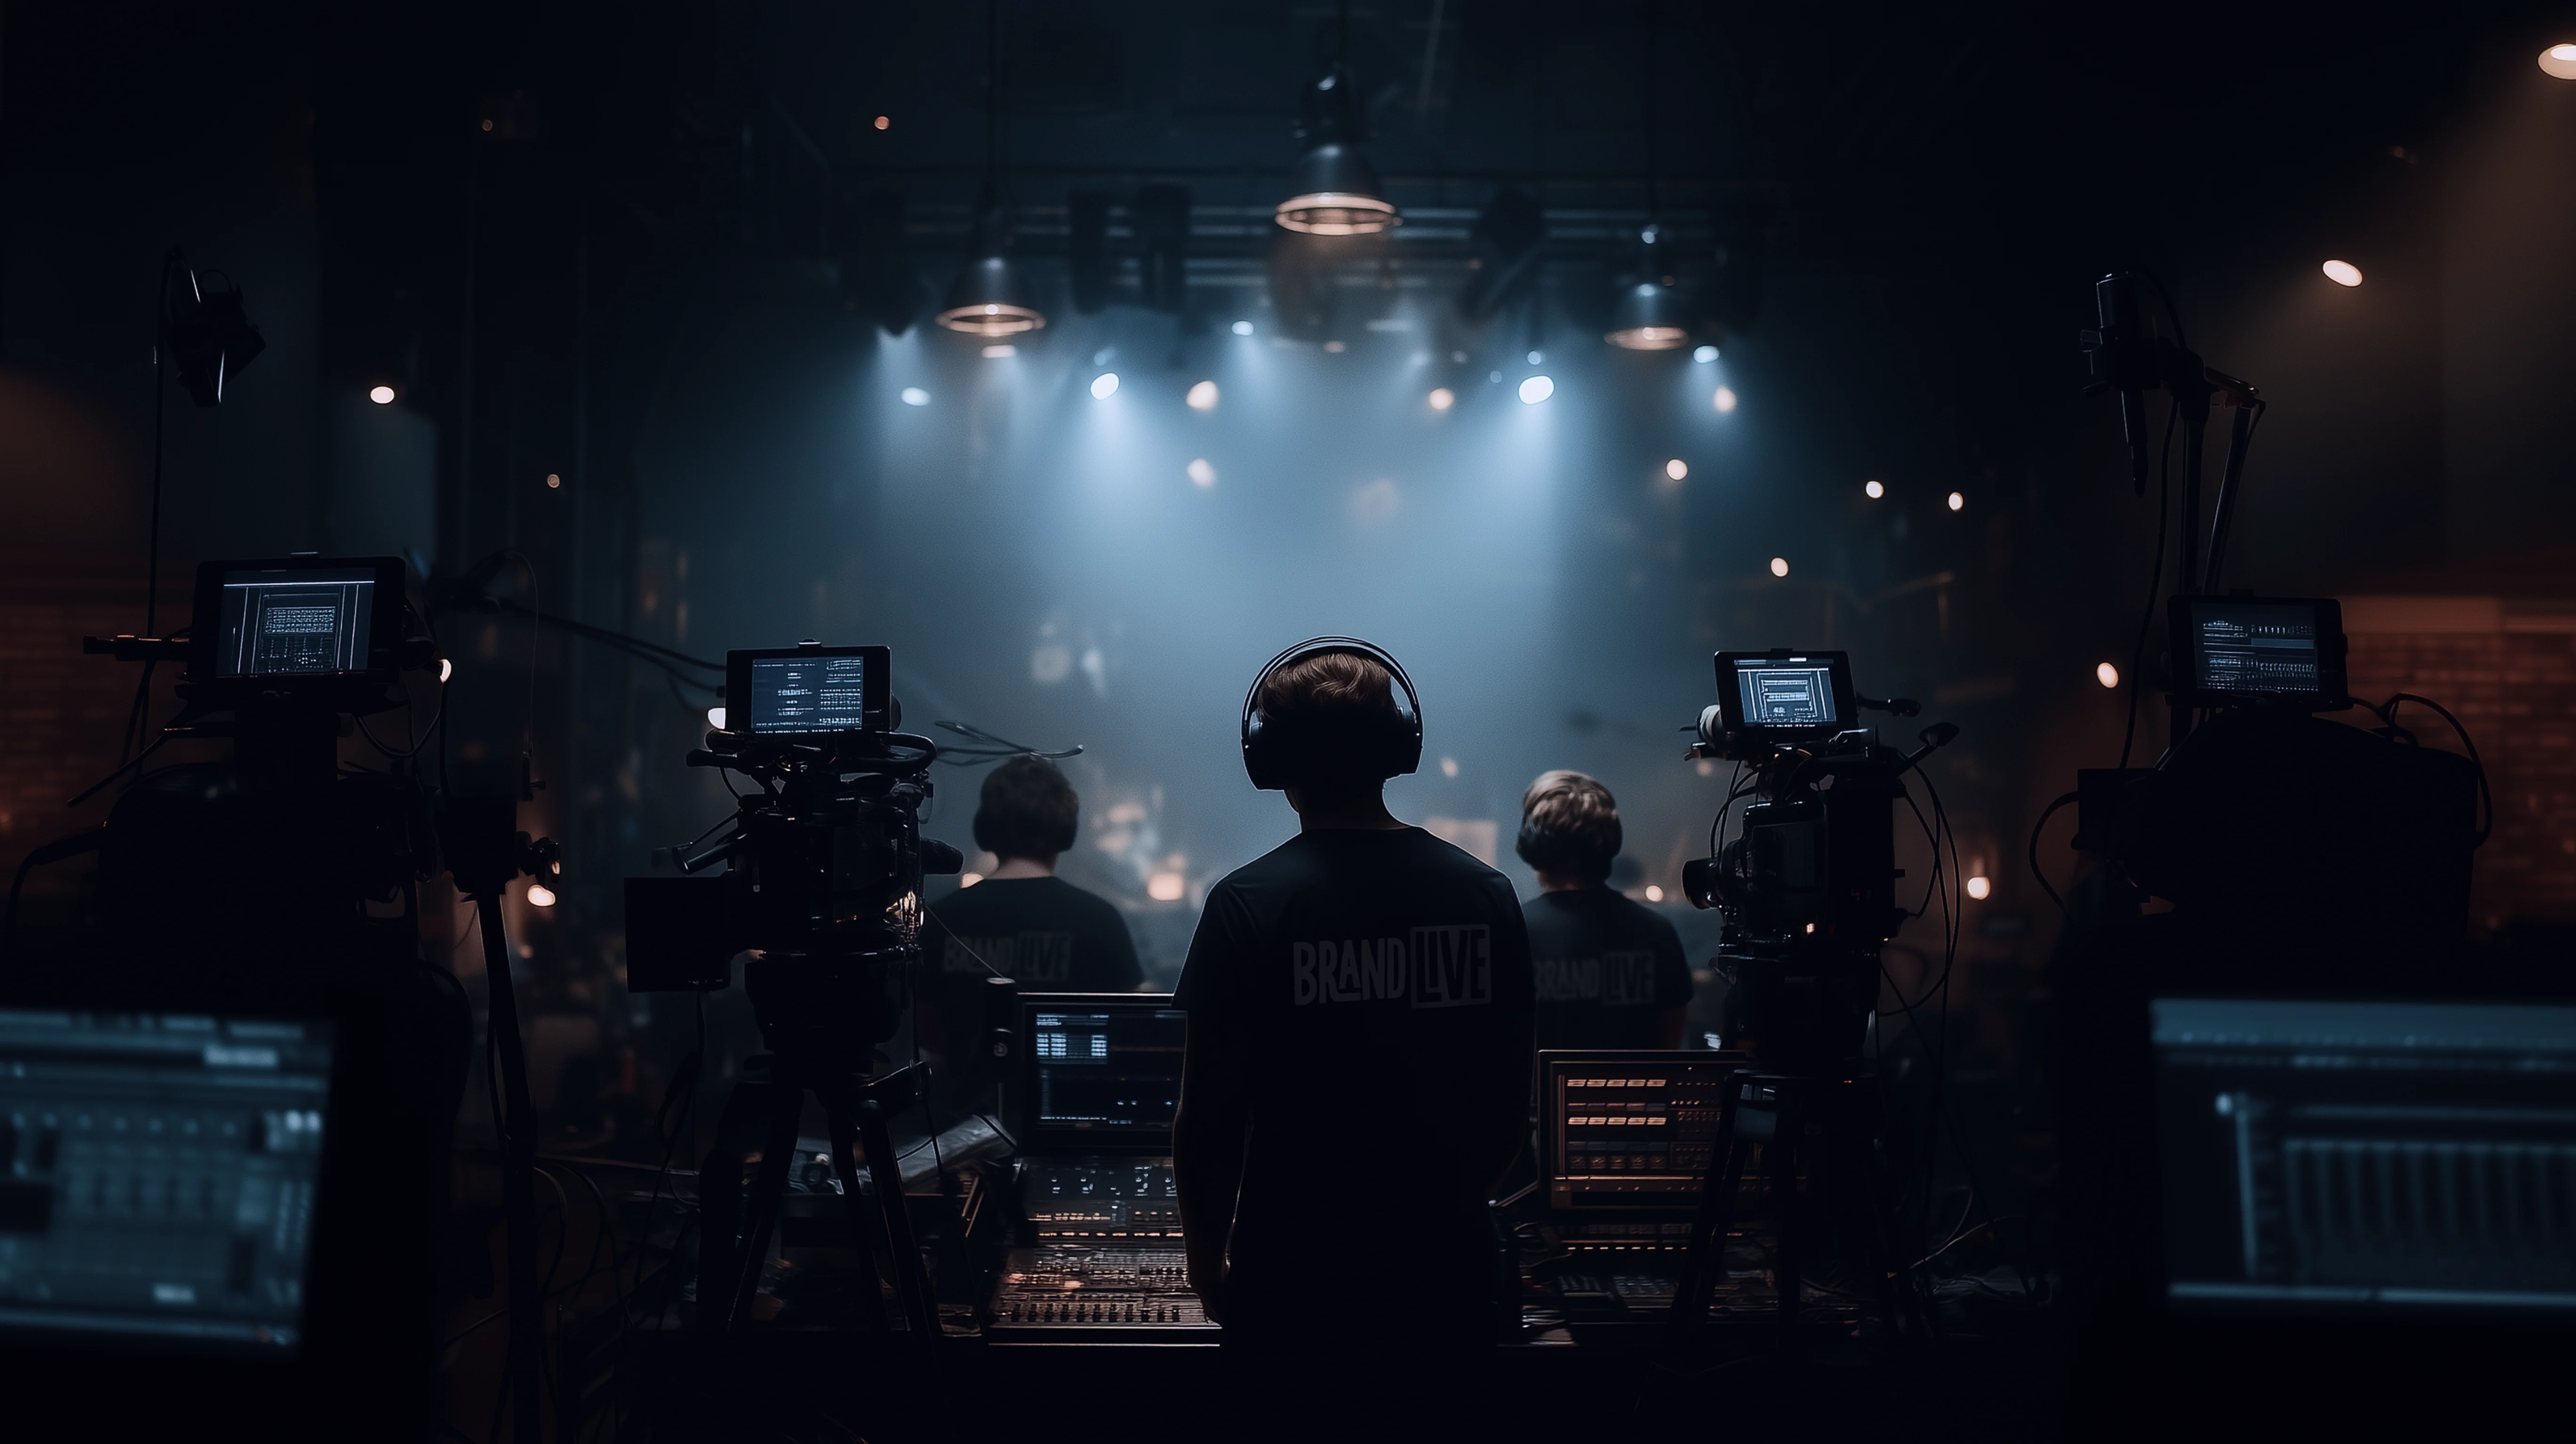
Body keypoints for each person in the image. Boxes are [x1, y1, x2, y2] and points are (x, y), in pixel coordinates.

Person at [1172, 641, 1534, 1366]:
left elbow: (1207, 1121)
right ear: (1398, 749)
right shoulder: (1484, 894)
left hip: (1290, 1278)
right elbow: (1507, 1112)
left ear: (1268, 761)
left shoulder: (1245, 903)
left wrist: (1206, 1262)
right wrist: (1445, 1210)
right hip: (1445, 1278)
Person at [921, 755, 1140, 1109]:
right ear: (1066, 830)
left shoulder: (940, 918)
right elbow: (1127, 1034)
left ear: (986, 829)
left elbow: (931, 1040)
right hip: (1073, 1122)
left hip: (957, 1131)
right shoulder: (1100, 919)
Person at [1516, 770, 1692, 1050]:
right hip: (1636, 1094)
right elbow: (1668, 1049)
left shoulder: (1513, 933)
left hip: (1541, 1095)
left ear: (1532, 842)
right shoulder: (1656, 932)